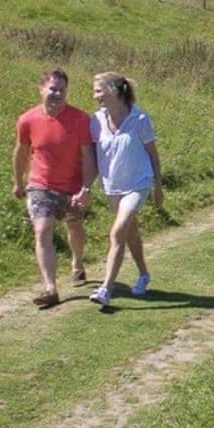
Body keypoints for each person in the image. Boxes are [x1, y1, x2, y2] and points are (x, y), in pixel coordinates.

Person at [13, 68, 97, 309]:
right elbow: (20, 151)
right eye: (53, 89)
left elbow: (88, 156)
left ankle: (77, 263)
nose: (57, 94)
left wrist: (86, 188)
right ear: (41, 90)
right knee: (42, 230)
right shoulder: (28, 119)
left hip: (72, 187)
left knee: (75, 226)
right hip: (40, 186)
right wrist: (18, 182)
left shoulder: (80, 119)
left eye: (62, 89)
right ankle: (50, 288)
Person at [87, 72, 163, 307]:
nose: (95, 95)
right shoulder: (96, 121)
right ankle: (143, 274)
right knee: (130, 233)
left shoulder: (139, 119)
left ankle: (105, 289)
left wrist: (158, 187)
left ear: (113, 90)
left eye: (99, 91)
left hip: (139, 184)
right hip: (112, 186)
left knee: (118, 231)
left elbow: (153, 154)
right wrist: (84, 188)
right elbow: (90, 157)